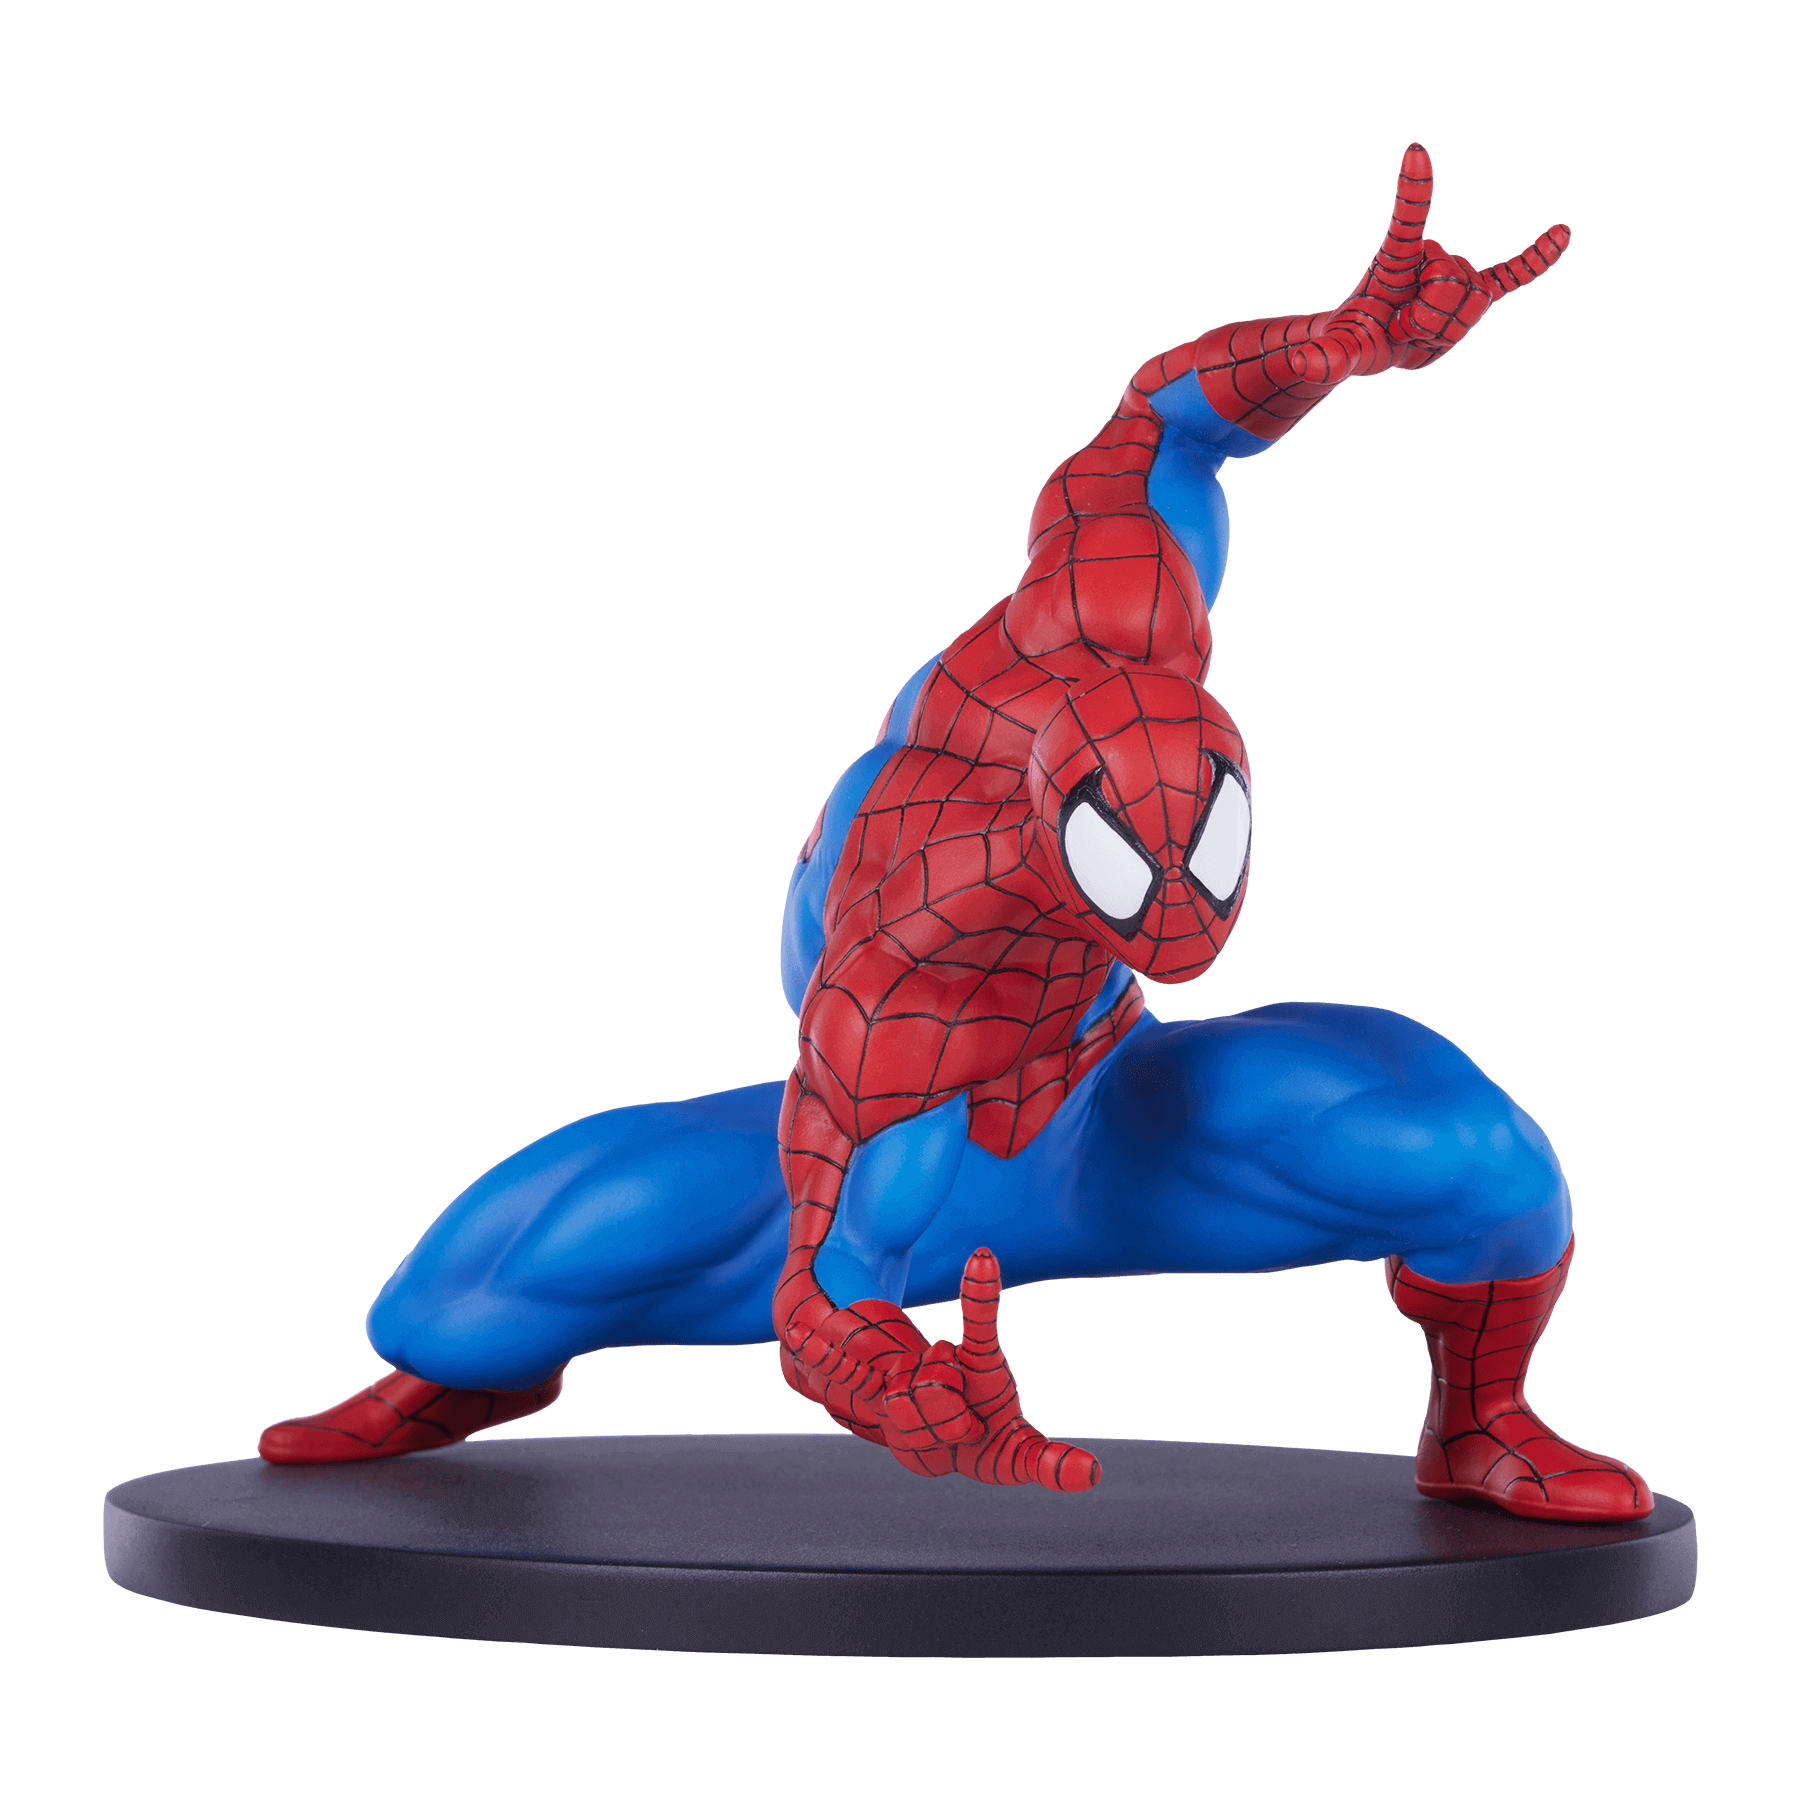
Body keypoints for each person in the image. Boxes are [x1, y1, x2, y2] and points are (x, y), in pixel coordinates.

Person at [260, 145, 1649, 1523]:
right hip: (921, 1129)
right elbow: (827, 1283)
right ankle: (459, 1386)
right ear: (1053, 821)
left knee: (1480, 1158)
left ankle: (1483, 1419)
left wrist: (1329, 350)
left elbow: (1166, 423)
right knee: (482, 1289)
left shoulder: (1126, 602)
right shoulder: (925, 926)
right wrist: (887, 1376)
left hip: (1119, 1102)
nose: (1182, 922)